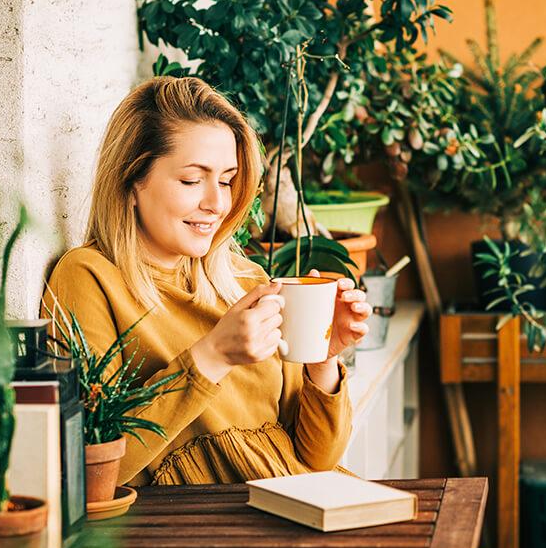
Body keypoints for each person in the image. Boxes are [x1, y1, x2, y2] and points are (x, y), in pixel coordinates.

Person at [42, 76, 370, 486]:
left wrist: (323, 359)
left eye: (227, 180)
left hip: (303, 506)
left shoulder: (247, 280)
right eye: (192, 180)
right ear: (132, 182)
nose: (216, 203)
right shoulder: (89, 277)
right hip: (204, 527)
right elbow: (91, 471)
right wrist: (213, 355)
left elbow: (318, 459)